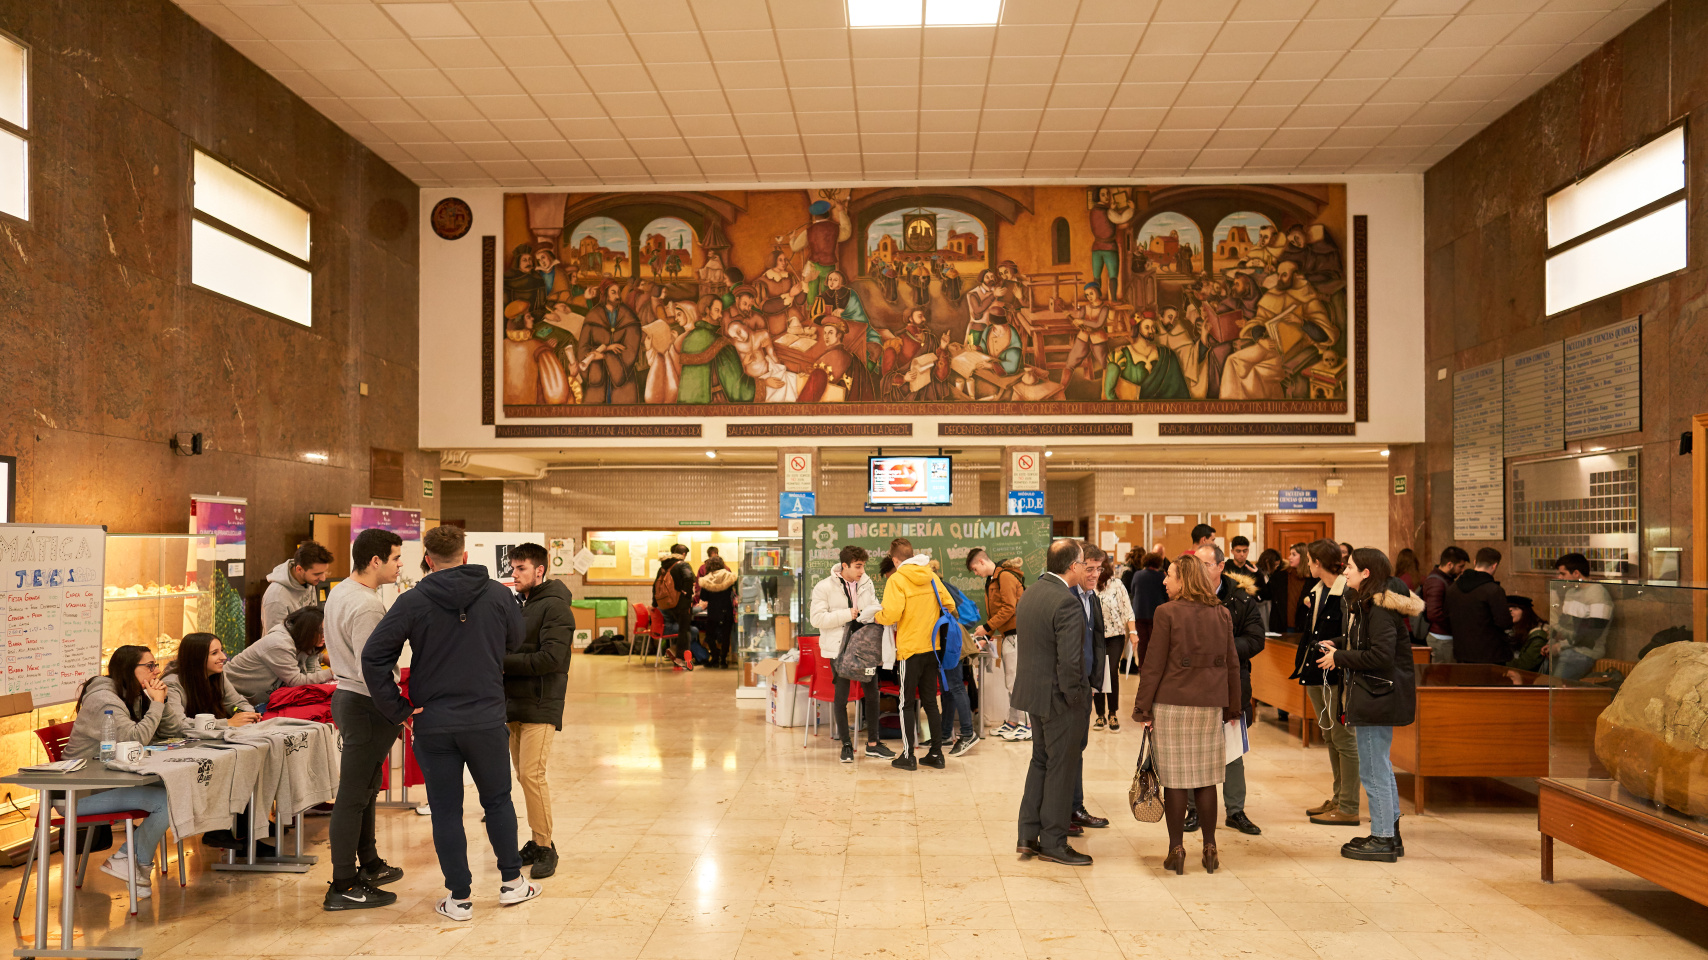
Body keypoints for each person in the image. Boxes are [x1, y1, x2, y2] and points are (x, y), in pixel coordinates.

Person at [363, 525, 541, 922]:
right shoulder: (498, 594)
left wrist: (400, 709)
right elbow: (516, 639)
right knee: (497, 800)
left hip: (434, 723)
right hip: (486, 718)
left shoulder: (412, 601)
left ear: (428, 559)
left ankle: (459, 899)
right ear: (464, 555)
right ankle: (512, 883)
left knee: (445, 810)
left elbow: (374, 657)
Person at [1131, 554, 1242, 875]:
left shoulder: (1166, 613)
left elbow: (1153, 665)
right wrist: (1233, 706)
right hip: (1209, 705)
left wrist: (1143, 708)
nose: (1165, 581)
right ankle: (1210, 848)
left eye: (1170, 576)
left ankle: (1176, 849)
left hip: (1172, 703)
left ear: (1184, 579)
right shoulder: (1221, 613)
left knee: (1176, 781)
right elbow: (1232, 662)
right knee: (1207, 780)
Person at [1315, 548, 1420, 863]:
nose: (1345, 572)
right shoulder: (1369, 604)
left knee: (1374, 769)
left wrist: (1339, 658)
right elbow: (1369, 645)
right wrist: (1340, 644)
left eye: (1350, 567)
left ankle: (1383, 838)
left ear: (1367, 574)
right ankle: (1389, 831)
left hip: (1378, 696)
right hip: (1376, 695)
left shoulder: (1378, 607)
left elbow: (1381, 656)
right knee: (1380, 767)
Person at [323, 527, 407, 911]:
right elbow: (371, 668)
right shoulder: (368, 605)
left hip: (349, 696)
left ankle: (368, 864)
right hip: (365, 703)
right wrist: (400, 709)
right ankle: (343, 883)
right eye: (395, 558)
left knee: (366, 791)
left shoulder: (342, 589)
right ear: (376, 561)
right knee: (353, 796)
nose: (399, 565)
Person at [65, 646, 172, 897]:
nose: (156, 671)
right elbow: (135, 739)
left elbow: (156, 733)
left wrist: (158, 700)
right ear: (129, 669)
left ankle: (133, 863)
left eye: (156, 664)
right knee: (167, 801)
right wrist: (157, 703)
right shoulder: (104, 700)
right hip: (80, 794)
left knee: (176, 788)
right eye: (150, 666)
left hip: (109, 782)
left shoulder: (129, 693)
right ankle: (131, 861)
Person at [1012, 539, 1093, 866]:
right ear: (1073, 566)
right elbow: (1069, 661)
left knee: (1041, 761)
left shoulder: (1031, 592)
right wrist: (1075, 697)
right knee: (1062, 768)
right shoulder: (1067, 602)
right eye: (1084, 563)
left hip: (1033, 694)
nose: (1086, 568)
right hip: (1060, 699)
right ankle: (1055, 843)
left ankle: (1028, 835)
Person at [1183, 543, 1265, 837]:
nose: (1199, 570)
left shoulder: (1241, 599)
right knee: (1194, 750)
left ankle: (1235, 810)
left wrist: (1225, 649)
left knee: (1232, 751)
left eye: (1205, 564)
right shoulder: (1185, 597)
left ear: (1220, 566)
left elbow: (1256, 639)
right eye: (1196, 564)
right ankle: (1193, 808)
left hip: (1231, 684)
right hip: (1193, 687)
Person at [503, 542, 573, 881]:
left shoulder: (556, 608)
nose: (514, 574)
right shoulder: (523, 604)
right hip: (515, 701)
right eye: (513, 568)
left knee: (533, 775)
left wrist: (499, 663)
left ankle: (546, 846)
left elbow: (552, 659)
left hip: (541, 703)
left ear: (540, 571)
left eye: (521, 569)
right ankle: (535, 840)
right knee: (523, 777)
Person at [166, 633, 265, 853]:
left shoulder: (217, 676)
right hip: (180, 749)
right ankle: (225, 831)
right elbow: (179, 726)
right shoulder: (173, 684)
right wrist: (227, 723)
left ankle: (247, 830)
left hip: (209, 743)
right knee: (235, 764)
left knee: (250, 759)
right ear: (196, 658)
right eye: (215, 653)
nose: (224, 657)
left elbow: (238, 703)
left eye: (221, 650)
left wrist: (246, 715)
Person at [1293, 541, 1358, 826]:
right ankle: (1338, 796)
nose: (1307, 565)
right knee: (1329, 736)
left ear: (1318, 561)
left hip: (1335, 674)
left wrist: (1337, 647)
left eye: (1309, 560)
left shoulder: (1346, 593)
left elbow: (1354, 636)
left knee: (1343, 739)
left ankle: (1349, 806)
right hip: (1314, 671)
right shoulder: (1318, 591)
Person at [874, 538, 953, 770]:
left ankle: (908, 755)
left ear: (895, 559)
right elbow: (948, 604)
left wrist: (878, 616)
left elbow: (891, 614)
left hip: (910, 650)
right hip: (932, 648)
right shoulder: (931, 575)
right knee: (930, 701)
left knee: (906, 703)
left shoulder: (897, 580)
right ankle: (936, 754)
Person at [809, 546, 889, 763]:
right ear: (844, 566)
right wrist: (847, 614)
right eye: (858, 566)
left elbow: (872, 606)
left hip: (864, 648)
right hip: (839, 649)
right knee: (841, 697)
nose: (862, 571)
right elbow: (816, 620)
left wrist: (874, 612)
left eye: (863, 566)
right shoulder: (823, 587)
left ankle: (873, 744)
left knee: (872, 694)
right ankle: (846, 744)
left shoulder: (867, 583)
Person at [968, 548, 1027, 741]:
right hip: (1008, 636)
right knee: (1010, 681)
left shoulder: (1005, 577)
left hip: (1018, 635)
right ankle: (1012, 722)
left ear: (982, 562)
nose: (975, 573)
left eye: (975, 569)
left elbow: (1009, 608)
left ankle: (1027, 724)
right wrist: (987, 634)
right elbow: (996, 613)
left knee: (1016, 681)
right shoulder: (992, 580)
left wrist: (986, 627)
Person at [223, 606, 332, 708]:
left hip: (261, 701)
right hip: (231, 696)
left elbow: (312, 675)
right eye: (321, 631)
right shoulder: (279, 644)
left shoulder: (305, 642)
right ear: (307, 630)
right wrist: (332, 673)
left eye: (327, 630)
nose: (325, 635)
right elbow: (296, 681)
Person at [927, 559, 981, 757]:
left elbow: (951, 614)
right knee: (949, 689)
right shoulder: (941, 586)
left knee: (955, 686)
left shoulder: (936, 588)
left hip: (950, 641)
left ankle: (968, 734)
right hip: (948, 640)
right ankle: (944, 734)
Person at [1543, 553, 1613, 681]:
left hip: (1584, 652)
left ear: (1576, 573)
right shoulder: (1571, 593)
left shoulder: (1598, 593)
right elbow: (1564, 627)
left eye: (1563, 574)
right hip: (1565, 648)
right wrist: (1552, 642)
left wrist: (1559, 646)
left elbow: (1592, 634)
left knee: (1554, 686)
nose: (1559, 577)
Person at [1091, 551, 1136, 732]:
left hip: (1115, 636)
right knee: (1097, 673)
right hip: (1094, 636)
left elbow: (1127, 609)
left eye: (1099, 566)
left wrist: (1133, 632)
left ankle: (1113, 712)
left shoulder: (1117, 584)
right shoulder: (1089, 585)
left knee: (1111, 671)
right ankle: (1100, 715)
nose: (1096, 570)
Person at [1445, 548, 1510, 665]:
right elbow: (1504, 622)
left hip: (1462, 653)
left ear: (1475, 562)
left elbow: (1447, 616)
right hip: (1490, 655)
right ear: (1494, 566)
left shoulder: (1453, 588)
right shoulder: (1494, 590)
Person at [261, 541, 333, 632]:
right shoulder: (276, 596)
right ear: (299, 569)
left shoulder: (309, 581)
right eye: (317, 574)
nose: (323, 578)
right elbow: (275, 640)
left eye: (324, 572)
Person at [1420, 546, 1469, 663]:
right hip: (1441, 639)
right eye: (1460, 566)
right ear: (1450, 564)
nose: (1462, 570)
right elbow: (1434, 613)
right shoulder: (1437, 582)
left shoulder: (1444, 579)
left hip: (1444, 637)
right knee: (1443, 678)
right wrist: (1455, 626)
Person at [654, 545, 697, 669]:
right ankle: (681, 658)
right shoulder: (683, 565)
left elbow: (655, 585)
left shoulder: (663, 566)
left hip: (666, 603)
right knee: (685, 630)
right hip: (682, 604)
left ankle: (674, 651)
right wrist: (686, 593)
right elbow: (689, 578)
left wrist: (655, 603)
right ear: (683, 554)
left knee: (679, 628)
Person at [698, 556, 738, 669]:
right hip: (727, 611)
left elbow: (704, 597)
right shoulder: (730, 577)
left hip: (713, 611)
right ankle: (724, 660)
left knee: (710, 636)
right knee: (726, 636)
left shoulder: (706, 580)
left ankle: (715, 657)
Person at [1128, 551, 1166, 665]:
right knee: (1154, 643)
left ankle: (1142, 667)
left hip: (1140, 612)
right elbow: (1165, 595)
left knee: (1142, 642)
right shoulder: (1161, 576)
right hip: (1156, 613)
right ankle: (1154, 666)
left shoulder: (1138, 575)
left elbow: (1133, 591)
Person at [1505, 595, 1549, 672]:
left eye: (1515, 608)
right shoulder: (1513, 630)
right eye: (1508, 608)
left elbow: (1525, 664)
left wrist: (1499, 662)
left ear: (1525, 613)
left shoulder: (1538, 636)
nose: (1510, 611)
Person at [1256, 548, 1288, 632]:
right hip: (1261, 608)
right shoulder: (1258, 573)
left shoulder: (1277, 574)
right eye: (1274, 565)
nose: (1276, 568)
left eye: (1278, 565)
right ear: (1267, 562)